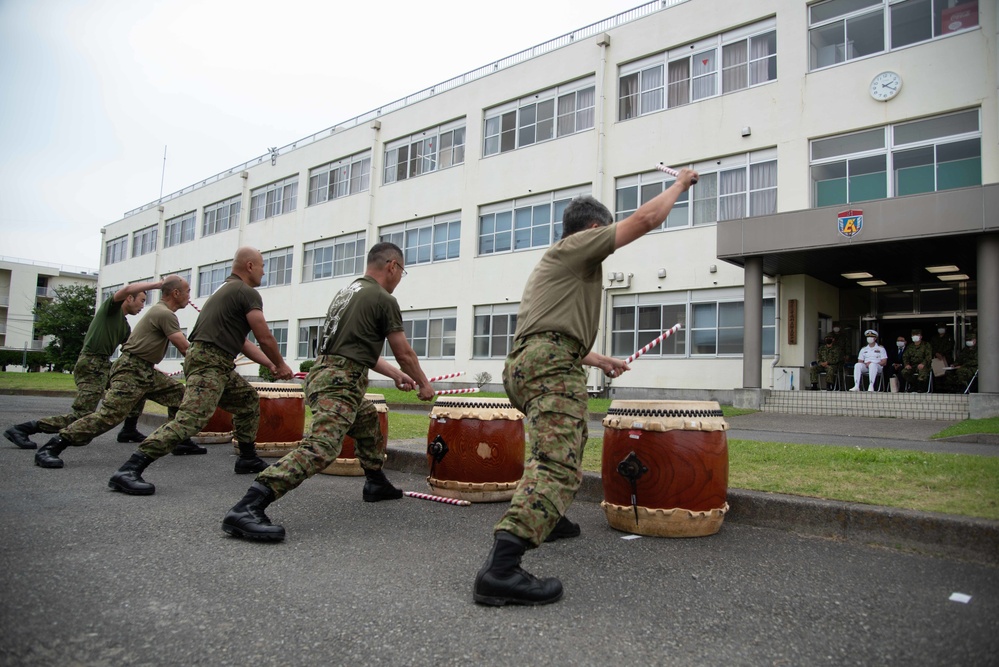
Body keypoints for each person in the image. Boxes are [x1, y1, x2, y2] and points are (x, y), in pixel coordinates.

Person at [472, 169, 698, 607]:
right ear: (594, 229)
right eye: (606, 231)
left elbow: (553, 330)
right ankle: (501, 569)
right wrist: (681, 184)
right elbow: (647, 219)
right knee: (558, 464)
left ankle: (548, 518)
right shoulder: (578, 246)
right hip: (551, 365)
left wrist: (598, 358)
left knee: (561, 447)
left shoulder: (559, 265)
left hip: (536, 361)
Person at [221, 242, 435, 542]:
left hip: (325, 373)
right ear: (392, 267)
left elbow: (360, 348)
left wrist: (397, 375)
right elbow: (405, 352)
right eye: (402, 272)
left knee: (367, 419)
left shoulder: (348, 293)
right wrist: (424, 384)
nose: (400, 278)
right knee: (322, 447)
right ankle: (249, 505)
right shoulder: (383, 299)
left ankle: (375, 482)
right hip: (340, 381)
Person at [107, 247, 294, 495]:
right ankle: (130, 469)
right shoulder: (246, 293)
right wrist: (281, 364)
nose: (263, 271)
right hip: (209, 362)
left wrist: (270, 365)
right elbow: (264, 336)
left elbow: (242, 342)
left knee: (247, 399)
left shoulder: (226, 290)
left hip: (214, 361)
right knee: (192, 419)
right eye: (261, 265)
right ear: (249, 266)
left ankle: (247, 457)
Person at [32, 276, 205, 468]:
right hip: (131, 370)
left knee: (179, 396)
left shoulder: (162, 312)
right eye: (188, 291)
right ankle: (52, 447)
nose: (190, 295)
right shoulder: (164, 313)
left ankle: (177, 441)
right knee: (109, 416)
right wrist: (211, 363)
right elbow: (184, 348)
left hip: (144, 370)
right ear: (176, 293)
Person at [4, 279, 162, 450]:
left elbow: (134, 353)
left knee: (137, 382)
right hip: (90, 364)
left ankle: (129, 430)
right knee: (82, 415)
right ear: (129, 299)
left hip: (104, 365)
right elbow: (128, 288)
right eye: (142, 301)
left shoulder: (124, 326)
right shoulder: (110, 310)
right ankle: (23, 429)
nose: (142, 306)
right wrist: (157, 285)